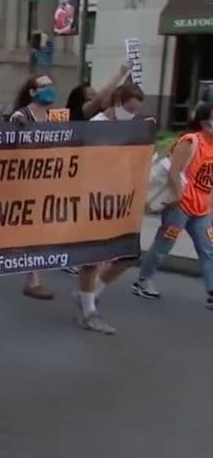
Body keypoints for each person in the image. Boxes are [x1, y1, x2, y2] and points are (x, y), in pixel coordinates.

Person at [69, 83, 149, 334]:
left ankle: (89, 295)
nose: (132, 114)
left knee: (128, 255)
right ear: (117, 103)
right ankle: (89, 309)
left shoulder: (129, 128)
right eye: (129, 109)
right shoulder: (96, 125)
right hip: (93, 198)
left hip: (119, 200)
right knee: (92, 258)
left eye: (135, 111)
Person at [133, 102, 213, 308]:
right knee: (164, 245)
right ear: (205, 122)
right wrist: (178, 196)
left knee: (208, 248)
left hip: (202, 209)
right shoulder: (191, 141)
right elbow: (174, 171)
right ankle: (143, 280)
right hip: (181, 205)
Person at [10, 73, 60, 301]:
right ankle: (32, 281)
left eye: (51, 86)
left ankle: (33, 280)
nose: (50, 90)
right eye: (44, 86)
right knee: (28, 231)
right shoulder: (21, 116)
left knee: (35, 232)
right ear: (32, 92)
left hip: (45, 182)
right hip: (21, 183)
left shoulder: (53, 116)